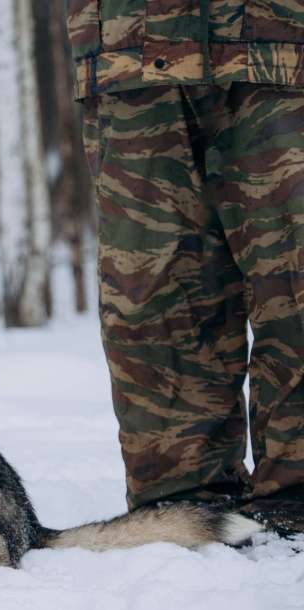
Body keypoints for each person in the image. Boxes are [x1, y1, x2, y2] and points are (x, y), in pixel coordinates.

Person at [67, 0, 304, 535]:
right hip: (131, 49)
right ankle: (183, 510)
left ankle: (295, 501)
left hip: (282, 41)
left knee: (294, 282)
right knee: (155, 297)